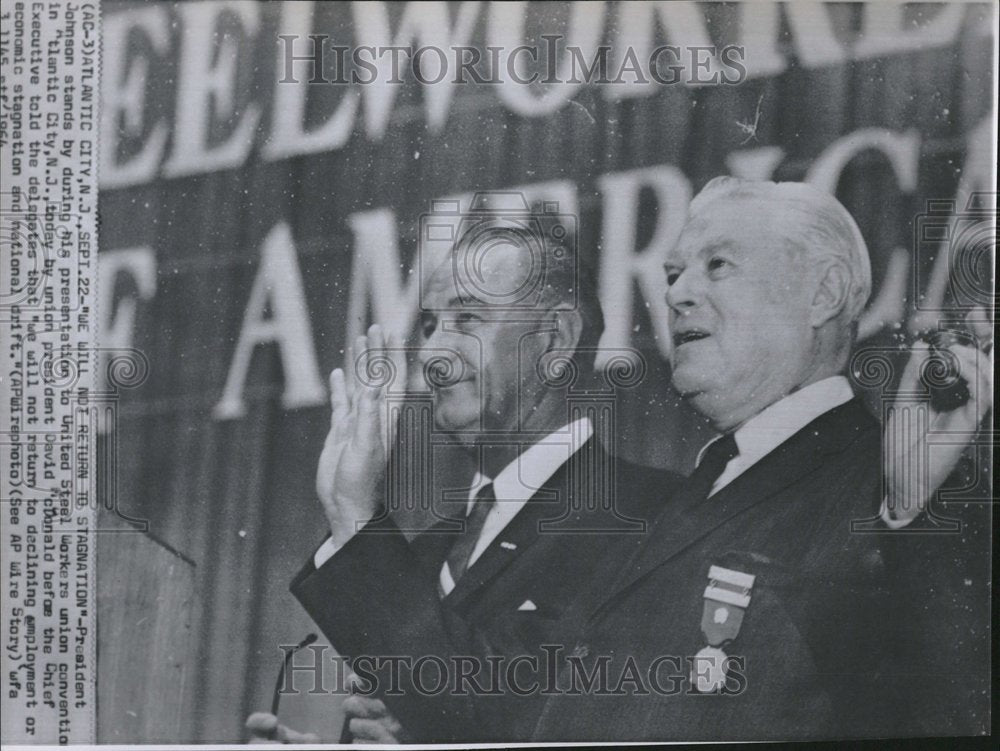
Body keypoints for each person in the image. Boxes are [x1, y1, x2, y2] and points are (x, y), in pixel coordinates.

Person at [526, 177, 993, 741]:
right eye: (674, 274)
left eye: (717, 265)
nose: (675, 294)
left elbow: (963, 718)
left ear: (823, 294)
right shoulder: (676, 500)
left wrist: (916, 519)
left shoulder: (902, 496)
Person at [249, 214, 681, 743]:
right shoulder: (421, 553)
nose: (430, 355)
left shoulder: (653, 518)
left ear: (555, 339)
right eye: (429, 326)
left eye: (468, 318)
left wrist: (356, 513)